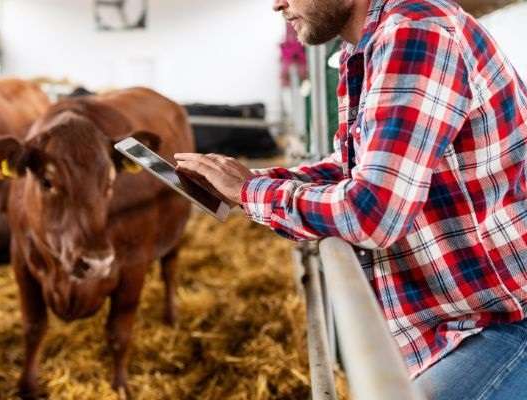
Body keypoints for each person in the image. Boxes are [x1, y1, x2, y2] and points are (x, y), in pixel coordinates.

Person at [174, 0, 527, 398]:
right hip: (454, 318)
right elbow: (354, 167)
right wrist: (252, 181)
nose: (277, 4)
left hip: (501, 320)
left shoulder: (415, 32)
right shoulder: (367, 44)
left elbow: (373, 214)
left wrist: (251, 193)